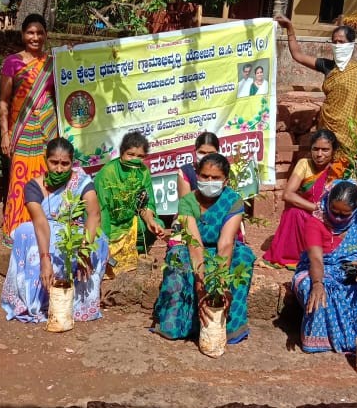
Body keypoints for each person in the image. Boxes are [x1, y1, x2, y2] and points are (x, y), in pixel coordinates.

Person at [1, 137, 108, 322]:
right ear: (45, 160)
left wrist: (84, 251)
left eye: (65, 164)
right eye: (54, 162)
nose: (59, 169)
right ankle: (36, 298)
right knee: (25, 231)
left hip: (75, 232)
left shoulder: (82, 182)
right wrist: (45, 260)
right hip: (47, 232)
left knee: (99, 239)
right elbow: (40, 223)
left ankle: (78, 299)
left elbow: (94, 215)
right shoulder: (34, 187)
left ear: (72, 163)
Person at [153, 153, 256, 343]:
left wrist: (221, 286)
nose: (209, 181)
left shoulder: (233, 200)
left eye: (215, 178)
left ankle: (229, 324)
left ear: (225, 181)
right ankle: (178, 324)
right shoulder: (187, 202)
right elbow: (194, 244)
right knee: (177, 258)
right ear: (197, 176)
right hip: (193, 249)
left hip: (221, 251)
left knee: (243, 256)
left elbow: (226, 243)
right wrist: (201, 288)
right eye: (204, 176)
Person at [292, 180, 357, 357]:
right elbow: (316, 259)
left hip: (352, 269)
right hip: (321, 269)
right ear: (328, 202)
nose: (338, 218)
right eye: (334, 212)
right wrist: (317, 283)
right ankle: (324, 339)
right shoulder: (315, 222)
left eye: (345, 215)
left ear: (356, 210)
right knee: (315, 287)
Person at [274, 16, 357, 177]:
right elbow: (297, 55)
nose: (337, 45)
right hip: (327, 126)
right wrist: (289, 28)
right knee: (322, 168)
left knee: (342, 174)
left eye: (341, 42)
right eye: (334, 42)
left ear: (351, 44)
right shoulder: (328, 66)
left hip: (349, 134)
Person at [0, 13, 58, 244]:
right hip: (21, 129)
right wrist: (4, 134)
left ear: (46, 35)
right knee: (20, 177)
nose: (35, 37)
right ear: (23, 35)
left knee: (46, 175)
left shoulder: (53, 63)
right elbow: (4, 102)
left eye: (40, 33)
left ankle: (43, 227)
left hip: (47, 129)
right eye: (30, 32)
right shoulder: (12, 63)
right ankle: (16, 228)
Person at [263, 129, 339, 268]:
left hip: (330, 218)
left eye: (325, 150)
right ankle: (294, 256)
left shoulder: (339, 169)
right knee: (293, 213)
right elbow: (288, 194)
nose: (319, 154)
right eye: (315, 149)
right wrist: (317, 209)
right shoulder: (304, 164)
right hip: (309, 214)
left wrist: (327, 213)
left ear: (333, 151)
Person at [94, 131, 165, 274]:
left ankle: (135, 251)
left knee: (158, 225)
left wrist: (150, 221)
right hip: (109, 225)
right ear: (121, 153)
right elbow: (102, 211)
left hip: (129, 222)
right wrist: (104, 242)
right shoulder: (106, 174)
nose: (135, 159)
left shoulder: (143, 171)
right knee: (102, 250)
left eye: (140, 156)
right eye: (130, 154)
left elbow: (145, 203)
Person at [177, 131, 220, 197]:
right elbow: (185, 202)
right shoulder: (186, 172)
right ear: (195, 152)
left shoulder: (222, 170)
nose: (206, 157)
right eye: (202, 152)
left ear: (217, 152)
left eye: (211, 153)